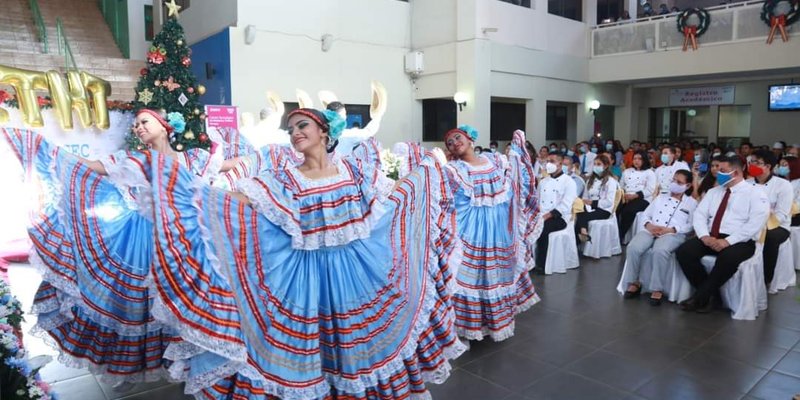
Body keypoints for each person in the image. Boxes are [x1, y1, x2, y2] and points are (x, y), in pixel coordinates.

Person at [146, 108, 466, 398]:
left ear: (324, 132)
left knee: (354, 345)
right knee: (310, 346)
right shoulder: (284, 178)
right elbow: (240, 202)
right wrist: (190, 193)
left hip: (355, 273)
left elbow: (389, 198)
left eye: (303, 125)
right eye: (291, 129)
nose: (295, 132)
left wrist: (423, 177)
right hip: (305, 278)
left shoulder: (355, 171)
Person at [1, 109, 248, 389]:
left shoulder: (195, 158)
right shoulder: (134, 158)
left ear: (165, 126)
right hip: (141, 239)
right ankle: (127, 370)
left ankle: (183, 364)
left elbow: (231, 164)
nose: (139, 128)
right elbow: (88, 166)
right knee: (135, 305)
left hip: (184, 241)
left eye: (145, 122)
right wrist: (43, 148)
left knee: (183, 303)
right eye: (136, 125)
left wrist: (278, 157)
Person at [442, 125, 539, 341]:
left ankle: (495, 324)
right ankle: (468, 328)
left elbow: (514, 180)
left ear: (469, 138)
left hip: (498, 227)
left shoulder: (494, 159)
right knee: (470, 276)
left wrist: (517, 154)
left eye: (457, 137)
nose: (454, 142)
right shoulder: (454, 169)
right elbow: (447, 198)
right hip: (471, 230)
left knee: (496, 274)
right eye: (449, 142)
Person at [675, 156, 770, 313]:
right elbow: (699, 215)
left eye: (723, 171)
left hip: (740, 240)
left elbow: (755, 223)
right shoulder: (714, 192)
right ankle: (712, 297)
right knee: (684, 251)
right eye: (718, 170)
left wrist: (728, 241)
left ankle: (700, 297)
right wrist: (705, 236)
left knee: (727, 259)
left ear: (736, 173)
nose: (718, 173)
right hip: (711, 236)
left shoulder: (755, 193)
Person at [622, 170, 697, 305]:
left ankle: (657, 288)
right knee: (633, 247)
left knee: (659, 251)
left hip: (673, 234)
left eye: (679, 182)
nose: (675, 184)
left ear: (688, 185)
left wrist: (671, 229)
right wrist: (649, 225)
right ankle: (634, 282)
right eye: (673, 180)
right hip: (651, 229)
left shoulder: (691, 203)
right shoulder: (661, 197)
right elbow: (645, 214)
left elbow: (691, 225)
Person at [748, 150, 793, 286]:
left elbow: (781, 214)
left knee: (770, 238)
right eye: (751, 162)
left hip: (777, 226)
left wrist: (760, 226)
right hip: (750, 223)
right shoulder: (747, 184)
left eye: (757, 162)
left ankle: (766, 278)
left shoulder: (783, 185)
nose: (753, 165)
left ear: (768, 166)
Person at [534, 151, 578, 274]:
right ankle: (528, 261)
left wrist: (548, 215)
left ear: (560, 164)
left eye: (552, 161)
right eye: (547, 161)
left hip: (560, 217)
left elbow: (566, 204)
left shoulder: (568, 182)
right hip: (542, 214)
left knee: (543, 229)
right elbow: (537, 200)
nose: (548, 164)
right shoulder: (543, 181)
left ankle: (542, 264)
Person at [575, 154, 619, 243]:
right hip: (589, 206)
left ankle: (581, 235)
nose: (596, 166)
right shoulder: (590, 180)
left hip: (604, 209)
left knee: (581, 216)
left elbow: (609, 202)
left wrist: (592, 203)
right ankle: (583, 233)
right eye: (594, 164)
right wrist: (585, 202)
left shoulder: (611, 181)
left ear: (606, 166)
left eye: (599, 164)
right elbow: (585, 196)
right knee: (578, 208)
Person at [618, 150, 656, 241]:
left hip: (642, 198)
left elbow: (650, 189)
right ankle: (614, 235)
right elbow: (621, 185)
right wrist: (624, 195)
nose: (636, 161)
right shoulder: (627, 171)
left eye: (639, 159)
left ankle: (620, 235)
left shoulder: (649, 172)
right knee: (616, 209)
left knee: (628, 211)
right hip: (626, 197)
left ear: (644, 160)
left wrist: (634, 196)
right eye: (635, 158)